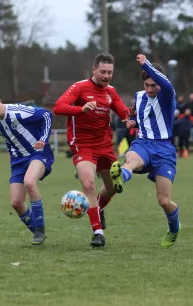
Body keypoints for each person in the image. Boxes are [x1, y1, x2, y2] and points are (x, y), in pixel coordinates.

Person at [53, 53, 131, 248]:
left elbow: (123, 111)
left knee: (113, 187)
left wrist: (129, 118)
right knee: (88, 184)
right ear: (94, 70)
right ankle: (98, 232)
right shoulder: (79, 87)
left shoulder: (111, 91)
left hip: (104, 145)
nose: (106, 76)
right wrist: (81, 110)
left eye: (110, 72)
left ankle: (98, 208)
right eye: (103, 71)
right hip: (82, 144)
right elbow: (58, 107)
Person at [110, 54, 181, 248]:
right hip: (143, 143)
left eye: (153, 85)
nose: (150, 89)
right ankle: (119, 178)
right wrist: (134, 122)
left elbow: (163, 84)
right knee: (130, 160)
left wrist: (146, 64)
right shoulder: (139, 97)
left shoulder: (167, 93)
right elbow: (143, 116)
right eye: (147, 85)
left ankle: (174, 229)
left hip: (164, 149)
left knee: (164, 201)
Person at [0, 85, 54, 245]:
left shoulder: (17, 111)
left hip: (38, 153)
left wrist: (43, 139)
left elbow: (46, 115)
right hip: (18, 161)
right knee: (16, 203)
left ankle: (39, 231)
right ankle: (38, 232)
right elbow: (11, 138)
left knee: (30, 183)